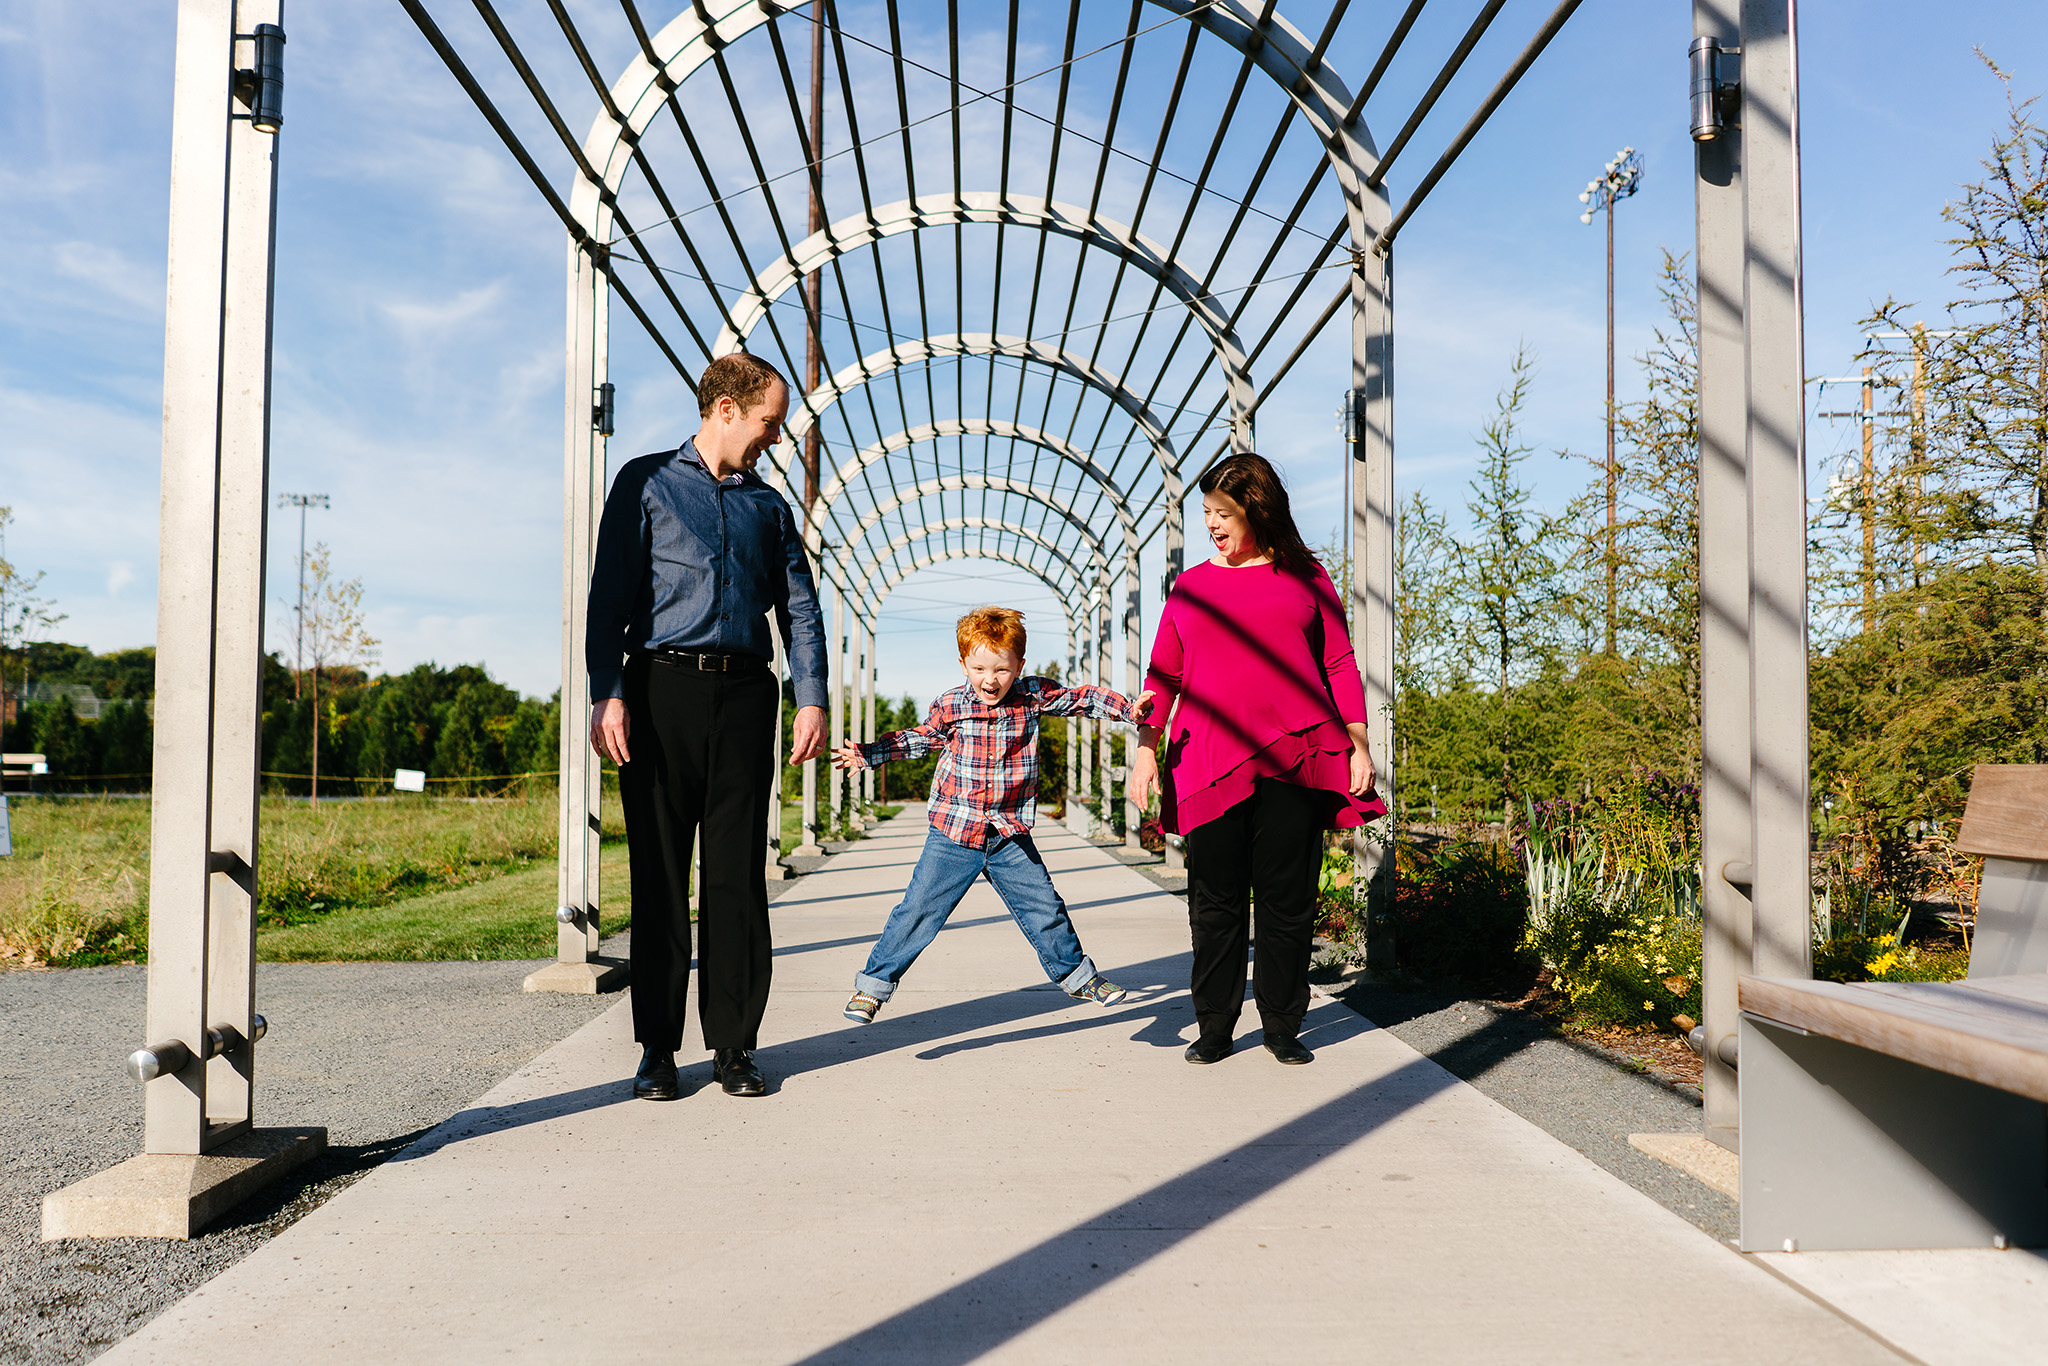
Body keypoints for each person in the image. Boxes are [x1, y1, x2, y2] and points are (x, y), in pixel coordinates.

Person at [587, 353, 828, 1102]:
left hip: (746, 700)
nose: (774, 439)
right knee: (659, 877)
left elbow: (800, 608)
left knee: (733, 881)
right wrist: (608, 691)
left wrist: (810, 697)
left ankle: (735, 1047)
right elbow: (608, 597)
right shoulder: (645, 482)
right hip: (658, 696)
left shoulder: (770, 508)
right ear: (727, 409)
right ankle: (657, 1050)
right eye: (769, 423)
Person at [1129, 452, 1384, 1067]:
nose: (1213, 525)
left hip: (1296, 755)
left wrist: (1359, 744)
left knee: (1286, 898)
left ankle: (1282, 1025)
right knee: (1214, 901)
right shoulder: (1191, 588)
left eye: (1224, 513)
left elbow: (1340, 663)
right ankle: (1214, 1026)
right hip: (1208, 759)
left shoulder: (1305, 578)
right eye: (1207, 514)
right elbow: (1162, 676)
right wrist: (1144, 753)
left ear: (1257, 509)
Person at [831, 606, 1148, 1024]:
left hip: (1008, 834)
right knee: (918, 910)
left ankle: (1078, 977)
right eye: (979, 668)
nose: (990, 680)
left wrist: (1129, 710)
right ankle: (872, 987)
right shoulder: (951, 704)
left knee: (1045, 906)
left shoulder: (1032, 695)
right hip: (954, 832)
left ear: (1019, 665)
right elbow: (921, 738)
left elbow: (1081, 699)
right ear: (963, 664)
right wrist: (870, 754)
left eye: (1001, 669)